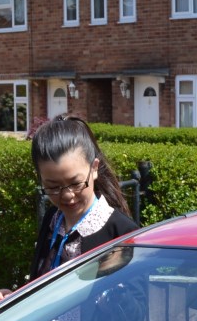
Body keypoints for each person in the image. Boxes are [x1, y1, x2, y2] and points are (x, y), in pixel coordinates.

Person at [28, 116, 140, 280]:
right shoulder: (53, 218)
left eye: (76, 183)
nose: (67, 195)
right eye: (52, 187)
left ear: (94, 168)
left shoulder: (122, 231)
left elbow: (136, 300)